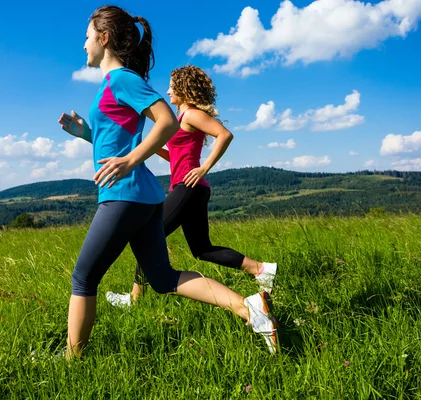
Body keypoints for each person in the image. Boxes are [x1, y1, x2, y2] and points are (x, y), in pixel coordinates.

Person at [58, 5, 278, 358]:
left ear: (104, 37)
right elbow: (119, 139)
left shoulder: (122, 79)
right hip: (144, 197)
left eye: (87, 37)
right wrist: (86, 133)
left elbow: (166, 121)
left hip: (124, 195)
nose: (83, 45)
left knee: (83, 278)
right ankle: (250, 309)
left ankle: (69, 362)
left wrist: (131, 160)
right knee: (162, 279)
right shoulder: (113, 84)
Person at [105, 65, 277, 307]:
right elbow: (176, 155)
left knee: (147, 235)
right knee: (202, 249)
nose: (167, 91)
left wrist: (204, 167)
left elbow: (225, 135)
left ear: (183, 89)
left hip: (189, 187)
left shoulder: (191, 114)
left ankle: (134, 300)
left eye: (172, 87)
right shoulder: (180, 119)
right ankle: (261, 269)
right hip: (191, 189)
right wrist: (150, 148)